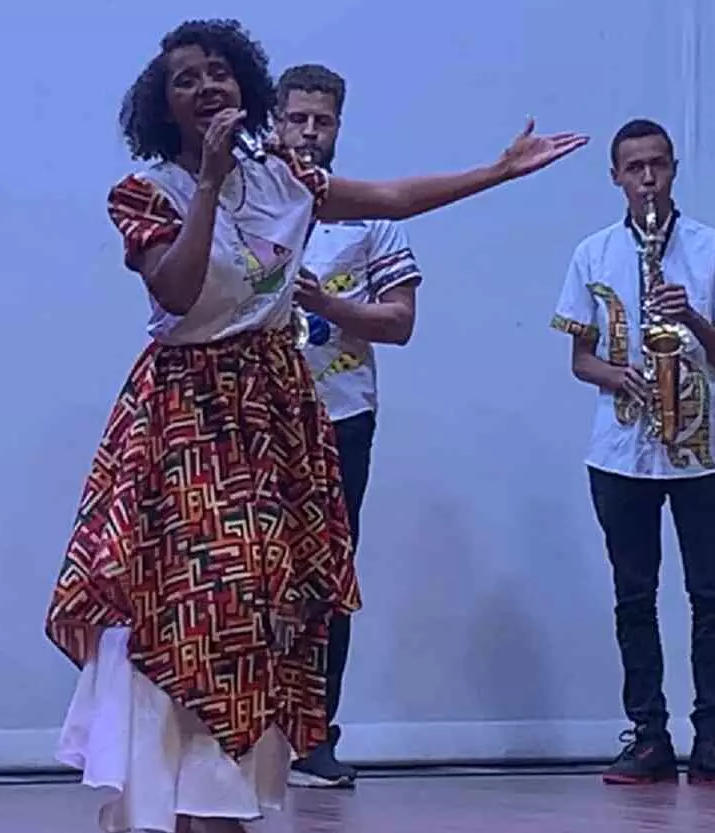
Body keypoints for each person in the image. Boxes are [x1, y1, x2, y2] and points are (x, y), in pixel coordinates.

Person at [45, 18, 587, 833]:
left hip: (274, 408)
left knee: (269, 598)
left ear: (247, 87)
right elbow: (181, 290)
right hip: (188, 410)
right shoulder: (147, 191)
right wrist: (207, 184)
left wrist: (499, 172)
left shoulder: (285, 176)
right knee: (193, 593)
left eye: (219, 73)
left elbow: (395, 198)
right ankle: (161, 792)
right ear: (164, 107)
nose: (206, 87)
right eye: (185, 79)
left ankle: (218, 795)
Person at [551, 118, 715, 786]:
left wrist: (692, 317)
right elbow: (580, 358)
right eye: (634, 168)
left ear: (674, 169)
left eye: (658, 166)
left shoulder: (713, 250)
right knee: (633, 594)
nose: (647, 179)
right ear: (615, 176)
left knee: (710, 594)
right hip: (621, 450)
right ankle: (647, 733)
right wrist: (620, 375)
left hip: (703, 450)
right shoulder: (592, 253)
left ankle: (714, 736)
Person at [271, 63, 424, 790]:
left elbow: (400, 324)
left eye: (321, 121)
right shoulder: (246, 204)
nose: (307, 132)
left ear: (338, 127)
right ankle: (243, 728)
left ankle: (314, 736)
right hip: (254, 418)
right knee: (247, 576)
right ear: (274, 121)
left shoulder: (368, 218)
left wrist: (325, 304)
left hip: (341, 419)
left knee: (328, 579)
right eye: (296, 118)